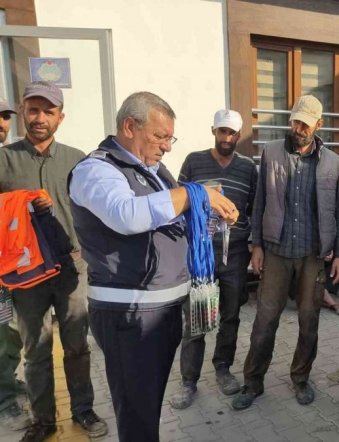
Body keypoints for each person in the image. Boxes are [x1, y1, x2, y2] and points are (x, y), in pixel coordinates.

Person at [68, 92, 238, 442]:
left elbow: (172, 221)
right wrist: (194, 193)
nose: (167, 147)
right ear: (130, 127)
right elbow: (127, 215)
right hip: (130, 317)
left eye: (170, 138)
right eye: (160, 136)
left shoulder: (155, 171)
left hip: (162, 312)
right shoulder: (96, 170)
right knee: (137, 416)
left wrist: (210, 216)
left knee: (148, 407)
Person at [0, 82, 107, 442]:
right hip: (25, 273)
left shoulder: (78, 160)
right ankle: (43, 419)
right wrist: (19, 203)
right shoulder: (5, 160)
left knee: (77, 345)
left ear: (61, 117)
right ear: (23, 112)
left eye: (48, 111)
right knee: (35, 349)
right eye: (33, 110)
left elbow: (93, 210)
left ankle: (83, 409)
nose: (40, 118)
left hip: (71, 268)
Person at [233, 95, 339, 410]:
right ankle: (252, 382)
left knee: (309, 321)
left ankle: (301, 378)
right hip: (277, 252)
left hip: (313, 255)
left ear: (318, 125)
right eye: (296, 121)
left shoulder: (332, 162)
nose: (298, 129)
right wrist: (256, 245)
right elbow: (259, 202)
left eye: (305, 124)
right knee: (265, 319)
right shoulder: (271, 152)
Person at [169, 109, 257, 409]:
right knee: (197, 317)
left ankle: (223, 368)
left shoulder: (248, 167)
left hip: (235, 253)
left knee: (230, 316)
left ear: (239, 135)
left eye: (232, 133)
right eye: (222, 131)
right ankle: (189, 381)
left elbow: (254, 208)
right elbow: (177, 201)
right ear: (214, 131)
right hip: (201, 253)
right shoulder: (194, 161)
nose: (227, 138)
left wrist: (249, 237)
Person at [0, 97, 32, 433]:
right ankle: (4, 401)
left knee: (10, 331)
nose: (1, 124)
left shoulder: (6, 159)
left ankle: (7, 382)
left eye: (4, 117)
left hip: (10, 266)